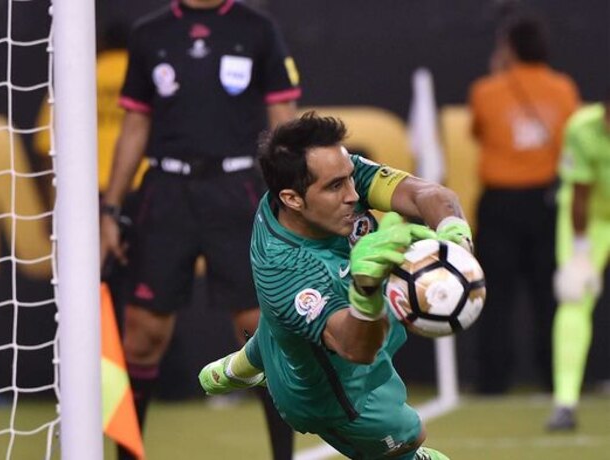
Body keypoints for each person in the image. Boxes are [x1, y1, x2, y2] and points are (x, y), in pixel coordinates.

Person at [199, 112, 473, 459]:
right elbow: (355, 348)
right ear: (292, 199)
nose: (353, 194)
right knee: (411, 438)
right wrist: (366, 288)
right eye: (335, 187)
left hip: (298, 320)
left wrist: (455, 240)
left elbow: (427, 194)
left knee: (280, 326)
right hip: (333, 394)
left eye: (349, 177)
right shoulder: (284, 269)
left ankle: (241, 366)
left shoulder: (330, 176)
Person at [99, 1, 301, 458]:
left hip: (237, 189)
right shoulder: (150, 33)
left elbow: (284, 120)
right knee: (143, 334)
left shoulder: (256, 28)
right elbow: (135, 124)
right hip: (167, 189)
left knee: (259, 330)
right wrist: (110, 209)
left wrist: (295, 193)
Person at [468, 13, 580, 394]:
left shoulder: (486, 90)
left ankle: (493, 381)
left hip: (501, 202)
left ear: (509, 49)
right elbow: (569, 138)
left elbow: (479, 130)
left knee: (494, 296)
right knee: (548, 295)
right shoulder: (563, 88)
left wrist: (499, 73)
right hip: (546, 202)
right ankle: (556, 377)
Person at [546, 93, 610, 431]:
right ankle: (565, 402)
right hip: (591, 220)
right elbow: (581, 193)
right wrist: (582, 251)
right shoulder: (583, 128)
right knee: (574, 296)